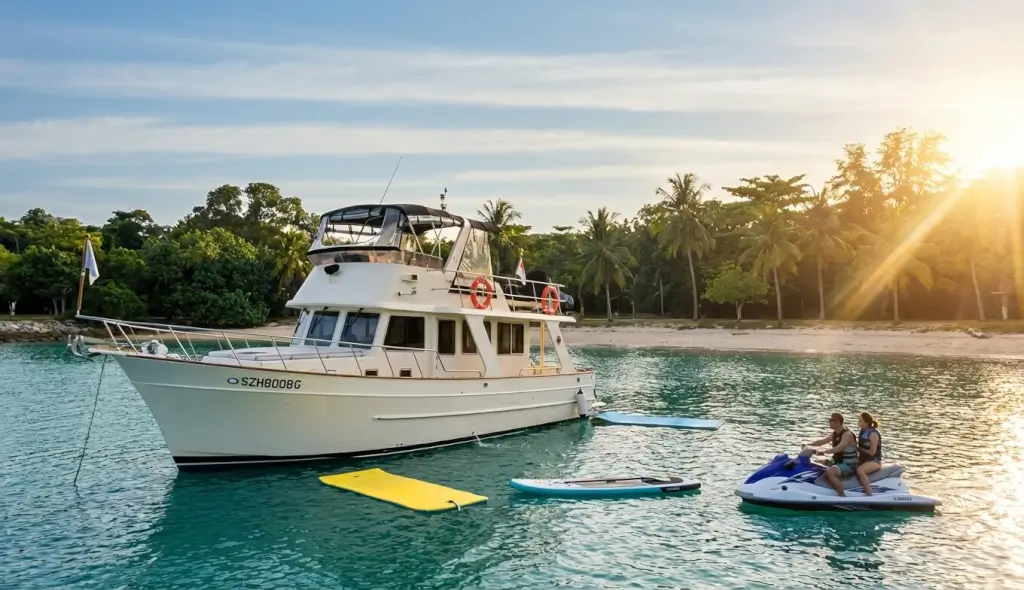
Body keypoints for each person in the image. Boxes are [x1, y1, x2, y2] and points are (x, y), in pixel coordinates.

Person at [805, 412, 858, 497]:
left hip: (849, 465)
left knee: (830, 472)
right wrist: (809, 445)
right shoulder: (835, 433)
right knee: (816, 465)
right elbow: (823, 441)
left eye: (831, 420)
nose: (829, 422)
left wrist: (824, 452)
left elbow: (840, 447)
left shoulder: (847, 434)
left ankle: (842, 496)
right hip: (837, 462)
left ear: (837, 422)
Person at [856, 411, 883, 496]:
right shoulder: (862, 431)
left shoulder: (873, 434)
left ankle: (869, 494)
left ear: (866, 422)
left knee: (860, 470)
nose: (858, 421)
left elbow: (872, 452)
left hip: (874, 461)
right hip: (863, 460)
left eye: (860, 420)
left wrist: (859, 449)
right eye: (859, 419)